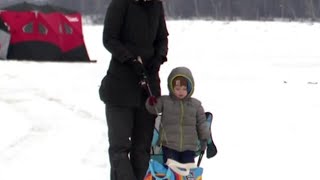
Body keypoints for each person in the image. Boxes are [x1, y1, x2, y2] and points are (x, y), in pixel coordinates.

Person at [99, 0, 169, 179]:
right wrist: (129, 59)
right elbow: (109, 38)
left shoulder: (156, 5)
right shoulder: (120, 4)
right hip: (120, 87)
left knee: (142, 149)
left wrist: (158, 58)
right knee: (120, 148)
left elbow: (162, 38)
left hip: (148, 90)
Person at [145, 67, 210, 164]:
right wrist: (151, 103)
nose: (181, 92)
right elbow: (153, 109)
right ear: (171, 87)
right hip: (169, 146)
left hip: (189, 147)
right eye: (177, 89)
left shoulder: (196, 105)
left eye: (184, 89)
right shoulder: (165, 101)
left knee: (187, 170)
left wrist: (204, 139)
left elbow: (201, 123)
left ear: (190, 88)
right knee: (172, 169)